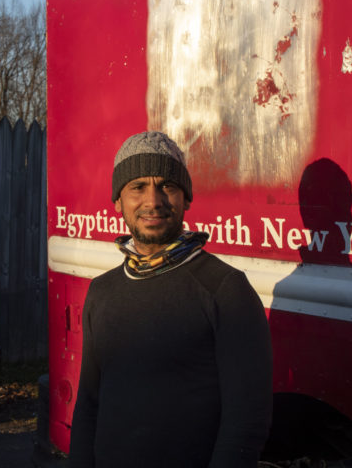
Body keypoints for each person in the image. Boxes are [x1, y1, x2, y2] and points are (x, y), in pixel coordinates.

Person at [69, 131, 272, 468]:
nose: (154, 201)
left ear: (186, 199)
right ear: (117, 201)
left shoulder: (225, 289)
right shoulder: (101, 291)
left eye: (168, 185)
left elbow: (246, 421)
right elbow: (89, 403)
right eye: (137, 187)